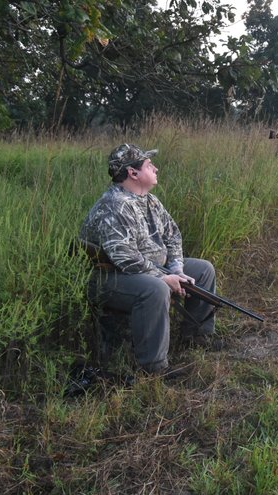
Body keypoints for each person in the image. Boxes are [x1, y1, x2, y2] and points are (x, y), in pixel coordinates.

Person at [79, 143, 218, 376]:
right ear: (133, 173)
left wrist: (177, 268)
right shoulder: (114, 206)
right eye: (148, 165)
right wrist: (165, 277)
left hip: (150, 268)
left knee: (203, 270)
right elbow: (125, 259)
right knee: (155, 289)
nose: (156, 168)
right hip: (110, 276)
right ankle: (153, 368)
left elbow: (173, 234)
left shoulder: (149, 200)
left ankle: (196, 337)